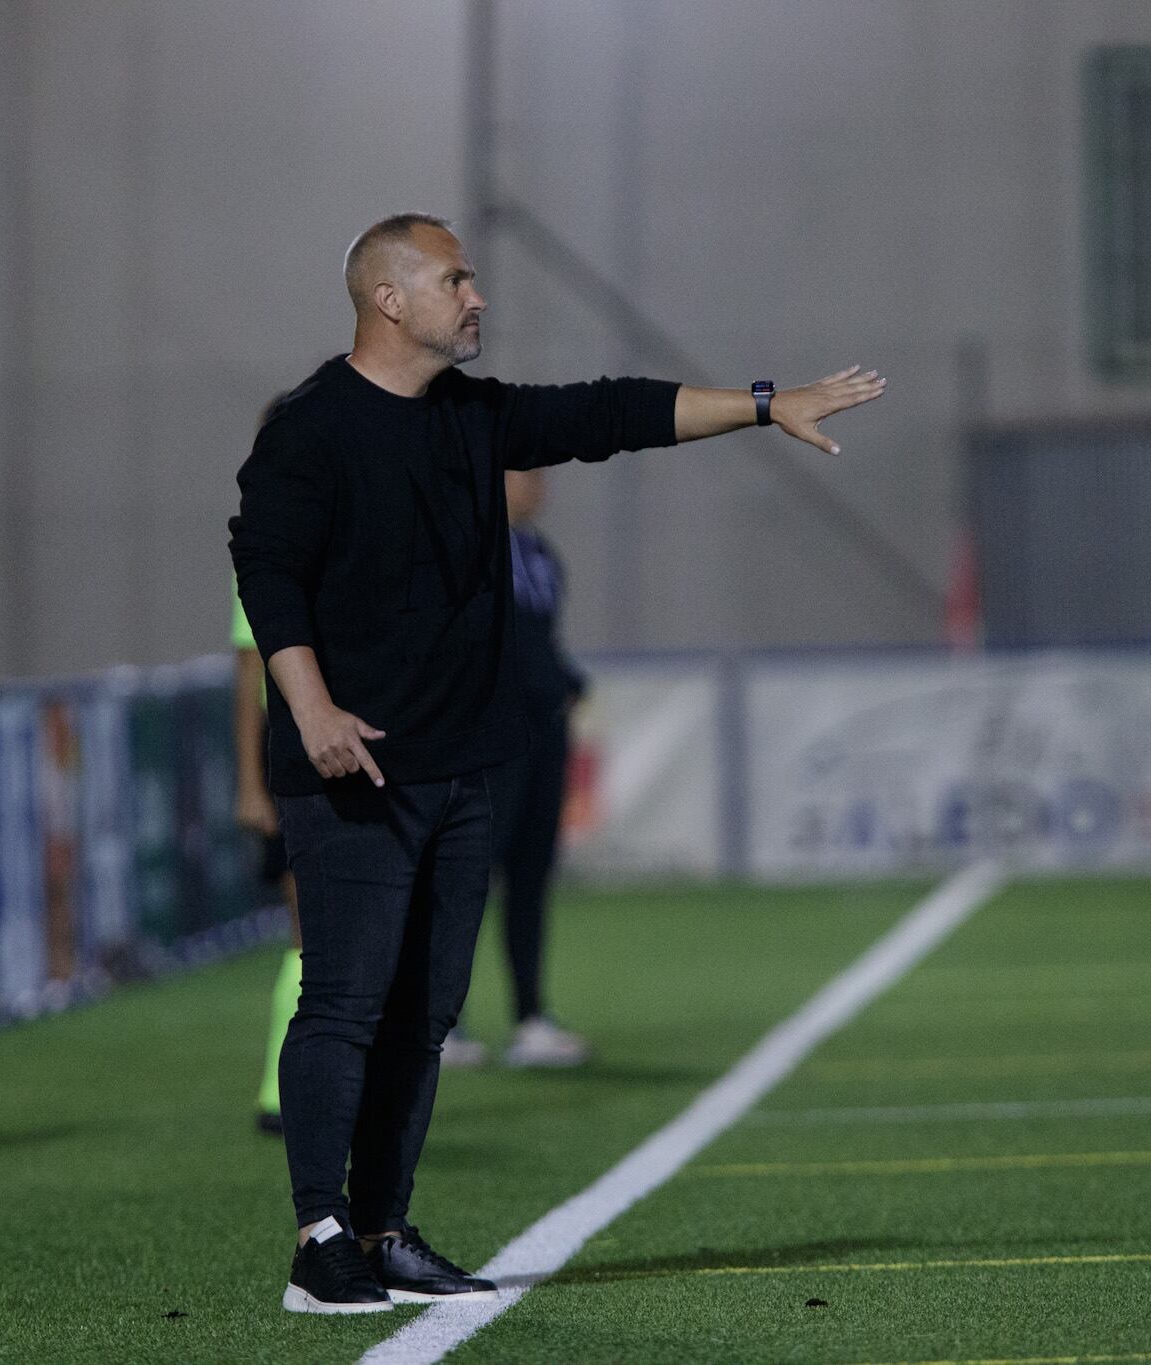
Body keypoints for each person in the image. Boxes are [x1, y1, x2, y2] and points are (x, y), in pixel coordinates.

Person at [229, 211, 884, 1314]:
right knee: (343, 1002)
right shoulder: (311, 427)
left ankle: (382, 1228)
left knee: (427, 1014)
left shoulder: (472, 418)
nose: (476, 297)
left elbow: (613, 413)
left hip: (460, 768)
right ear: (388, 298)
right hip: (350, 769)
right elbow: (265, 571)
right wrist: (312, 709)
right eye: (455, 279)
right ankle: (319, 1239)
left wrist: (766, 404)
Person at [486, 468, 591, 1068]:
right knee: (465, 883)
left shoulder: (539, 552)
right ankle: (441, 1024)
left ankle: (530, 1016)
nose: (539, 483)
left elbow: (541, 639)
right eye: (525, 471)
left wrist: (567, 680)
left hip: (543, 733)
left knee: (531, 876)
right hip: (494, 737)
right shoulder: (469, 546)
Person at [233, 585, 304, 1137]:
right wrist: (251, 783)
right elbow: (249, 672)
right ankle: (279, 1089)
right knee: (307, 930)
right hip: (292, 750)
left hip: (358, 743)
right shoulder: (268, 544)